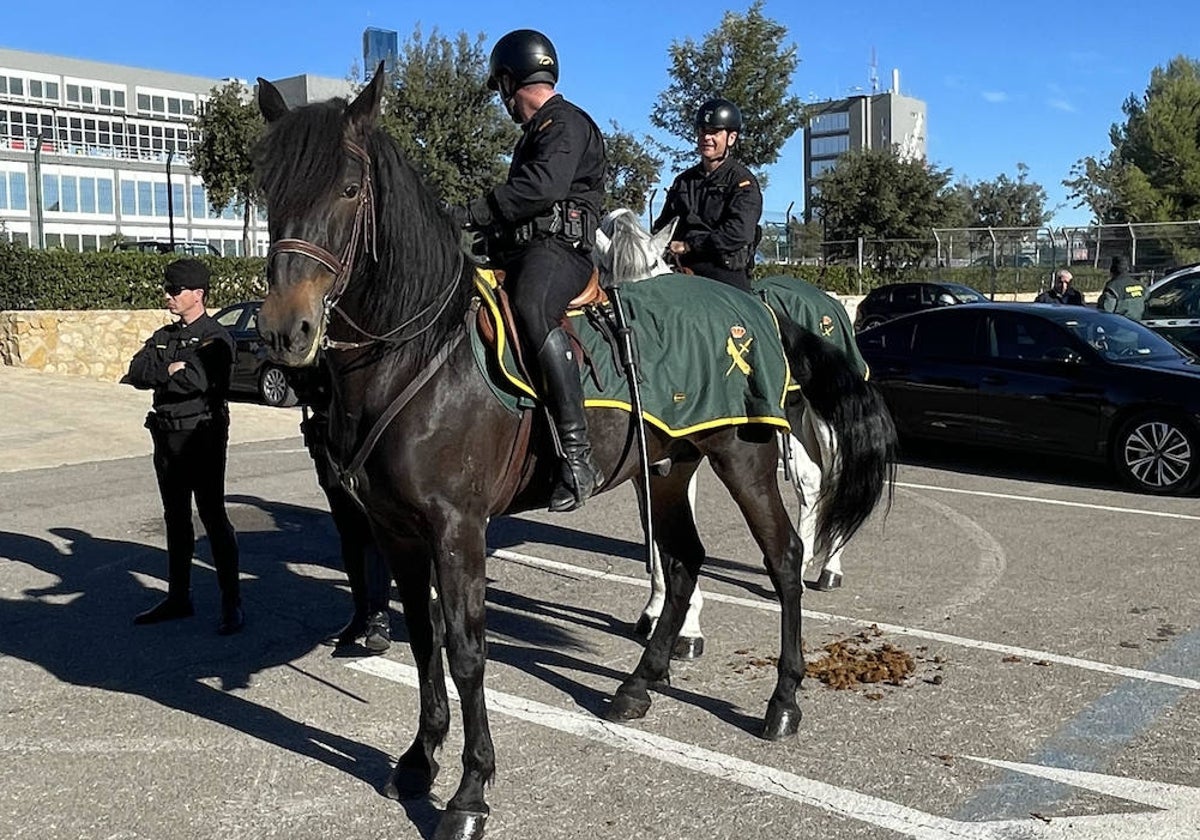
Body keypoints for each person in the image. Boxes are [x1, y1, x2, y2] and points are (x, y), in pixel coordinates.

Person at [456, 28, 606, 512]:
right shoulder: (535, 133)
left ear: (509, 81)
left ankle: (578, 458)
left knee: (532, 306)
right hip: (525, 249)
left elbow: (543, 187)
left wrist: (473, 211)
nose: (504, 100)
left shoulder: (564, 123)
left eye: (501, 88)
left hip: (561, 251)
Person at [126, 259, 242, 634]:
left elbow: (196, 381)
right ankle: (179, 597)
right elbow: (136, 371)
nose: (168, 296)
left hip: (202, 436)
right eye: (168, 289)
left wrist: (175, 371)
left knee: (212, 516)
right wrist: (169, 370)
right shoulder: (165, 335)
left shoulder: (216, 337)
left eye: (175, 290)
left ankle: (231, 603)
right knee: (175, 518)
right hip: (166, 436)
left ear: (198, 294)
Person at [292, 361, 392, 652]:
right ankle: (361, 612)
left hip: (366, 439)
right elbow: (300, 386)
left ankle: (379, 615)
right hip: (327, 441)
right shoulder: (314, 339)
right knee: (350, 534)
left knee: (374, 531)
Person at [651, 98, 763, 292]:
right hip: (679, 264)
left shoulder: (743, 182)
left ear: (731, 138)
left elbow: (738, 233)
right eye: (703, 131)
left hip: (722, 268)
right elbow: (663, 224)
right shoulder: (683, 181)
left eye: (714, 132)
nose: (706, 137)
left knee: (740, 313)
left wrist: (689, 245)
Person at [1098, 255, 1145, 320]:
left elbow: (1106, 312)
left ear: (1112, 270)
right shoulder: (1140, 285)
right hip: (1137, 327)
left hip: (1120, 326)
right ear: (1128, 269)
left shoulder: (1112, 287)